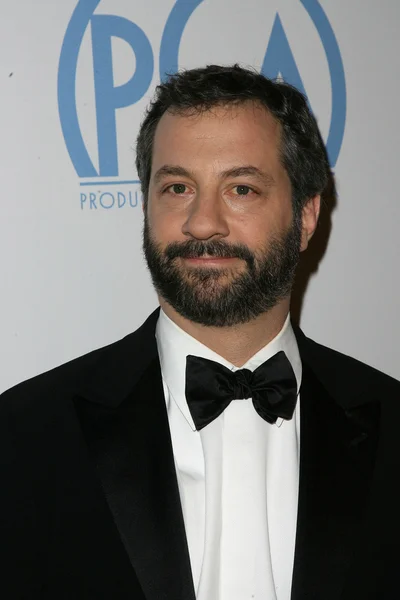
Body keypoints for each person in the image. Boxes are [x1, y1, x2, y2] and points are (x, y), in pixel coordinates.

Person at [1, 65, 399, 600]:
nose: (203, 222)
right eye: (177, 187)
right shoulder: (23, 437)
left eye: (241, 188)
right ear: (145, 205)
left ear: (306, 216)